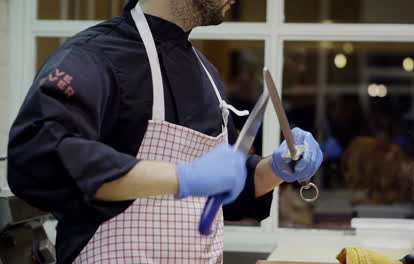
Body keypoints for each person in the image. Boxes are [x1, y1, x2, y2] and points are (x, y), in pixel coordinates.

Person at [7, 0, 323, 263]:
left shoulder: (207, 74)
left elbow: (214, 196)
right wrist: (183, 176)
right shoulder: (91, 57)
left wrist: (275, 169)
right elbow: (39, 155)